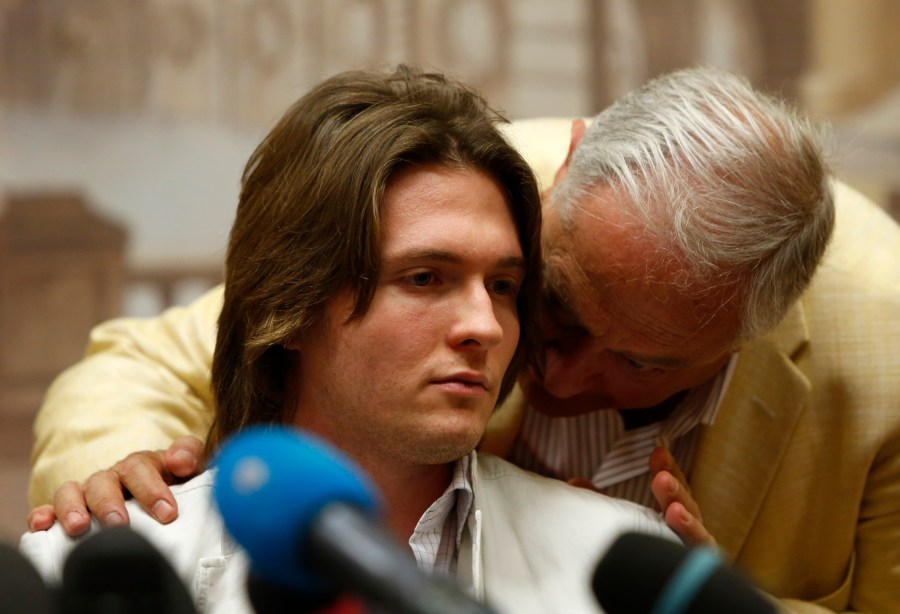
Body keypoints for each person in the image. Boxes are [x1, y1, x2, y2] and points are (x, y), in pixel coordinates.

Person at [28, 67, 900, 612]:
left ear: (744, 331)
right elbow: (137, 367)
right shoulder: (466, 187)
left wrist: (709, 602)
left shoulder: (880, 350)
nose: (517, 344)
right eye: (553, 300)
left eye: (639, 360)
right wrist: (130, 515)